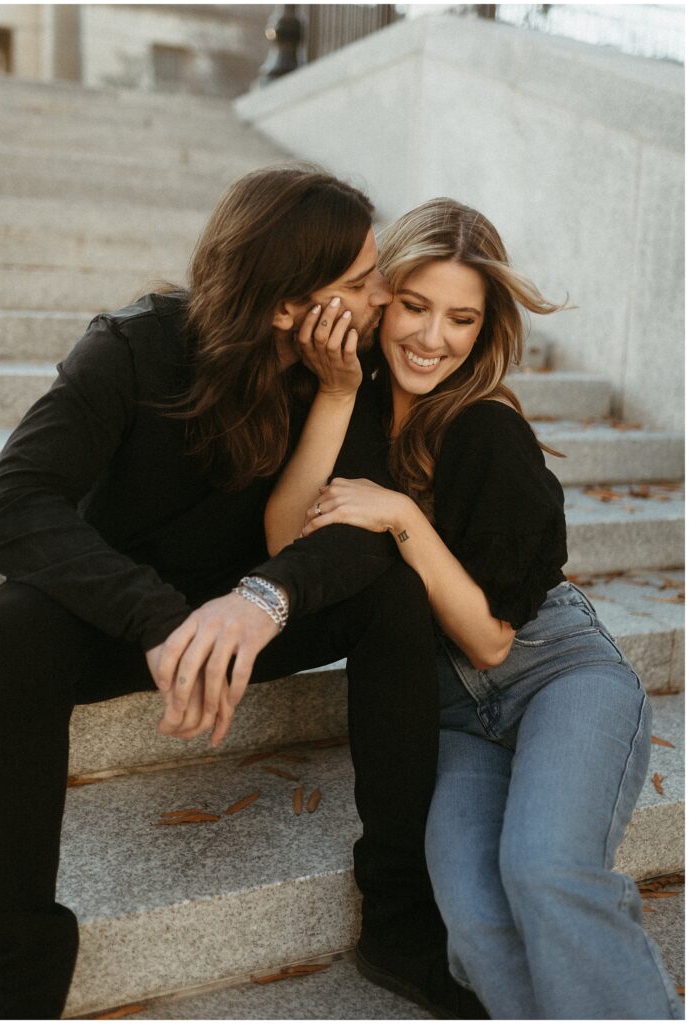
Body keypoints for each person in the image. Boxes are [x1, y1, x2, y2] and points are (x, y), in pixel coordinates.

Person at [0, 167, 486, 1020]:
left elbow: (355, 530)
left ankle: (400, 919)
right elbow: (9, 504)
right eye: (362, 282)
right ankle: (19, 954)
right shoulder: (135, 347)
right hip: (133, 615)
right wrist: (163, 621)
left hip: (258, 609)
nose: (383, 295)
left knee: (395, 591)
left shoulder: (351, 370)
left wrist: (265, 598)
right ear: (289, 304)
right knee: (13, 621)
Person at [266, 197, 683, 1019]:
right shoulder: (354, 403)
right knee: (479, 929)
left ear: (485, 327)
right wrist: (340, 393)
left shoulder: (488, 431)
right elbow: (287, 543)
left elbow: (493, 643)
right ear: (382, 299)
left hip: (558, 678)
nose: (431, 338)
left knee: (548, 873)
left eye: (460, 318)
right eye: (415, 307)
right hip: (452, 718)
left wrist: (402, 514)